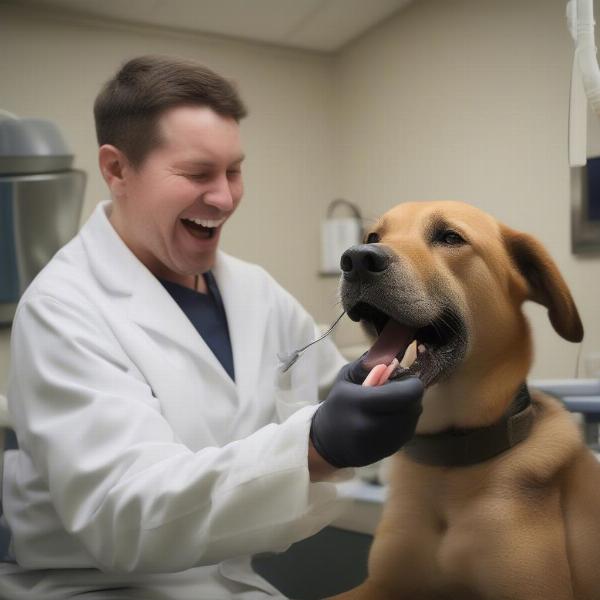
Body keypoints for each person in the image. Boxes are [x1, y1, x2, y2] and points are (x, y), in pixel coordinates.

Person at [0, 55, 424, 599]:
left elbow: (331, 388)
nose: (224, 198)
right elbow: (125, 515)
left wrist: (387, 383)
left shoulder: (254, 293)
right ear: (116, 170)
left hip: (234, 582)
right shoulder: (62, 310)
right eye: (198, 173)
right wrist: (315, 445)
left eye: (234, 170)